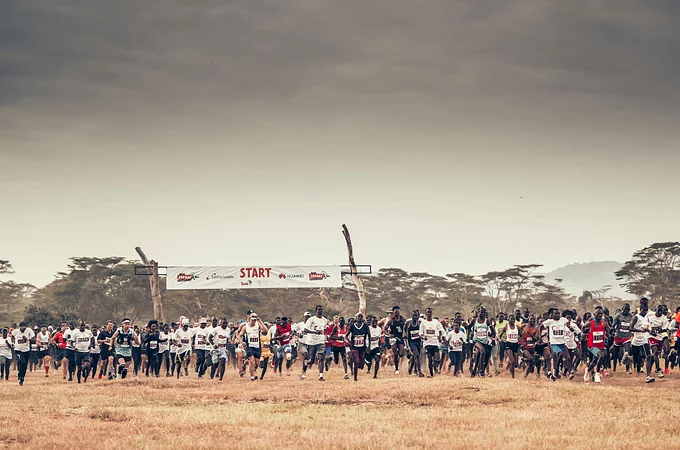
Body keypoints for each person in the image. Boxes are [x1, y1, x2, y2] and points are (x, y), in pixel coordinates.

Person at [542, 308, 575, 381]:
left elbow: (568, 324)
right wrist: (540, 337)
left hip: (562, 343)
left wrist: (570, 328)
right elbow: (541, 326)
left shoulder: (563, 320)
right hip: (554, 344)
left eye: (558, 313)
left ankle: (570, 372)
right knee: (560, 354)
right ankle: (556, 370)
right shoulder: (549, 322)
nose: (558, 315)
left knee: (568, 358)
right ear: (552, 315)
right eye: (556, 314)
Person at [582, 307, 610, 383]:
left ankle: (587, 370)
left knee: (596, 360)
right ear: (594, 314)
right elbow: (583, 327)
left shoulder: (604, 323)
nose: (600, 315)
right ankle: (597, 374)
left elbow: (609, 330)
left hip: (601, 344)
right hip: (592, 345)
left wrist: (608, 334)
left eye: (601, 313)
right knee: (601, 355)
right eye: (598, 313)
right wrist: (584, 333)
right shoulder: (591, 323)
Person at [237, 313, 268, 381]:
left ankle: (246, 364)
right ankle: (252, 376)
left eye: (255, 319)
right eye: (253, 319)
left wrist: (261, 322)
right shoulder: (246, 327)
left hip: (257, 346)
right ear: (250, 318)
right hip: (249, 346)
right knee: (252, 361)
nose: (254, 321)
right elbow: (239, 335)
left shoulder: (258, 325)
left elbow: (266, 330)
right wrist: (242, 342)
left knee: (256, 364)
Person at [302, 305, 328, 381]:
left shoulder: (324, 320)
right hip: (312, 341)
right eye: (319, 309)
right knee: (312, 361)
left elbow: (325, 329)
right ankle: (306, 364)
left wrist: (326, 336)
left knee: (321, 357)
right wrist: (314, 332)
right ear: (316, 310)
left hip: (320, 341)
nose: (320, 311)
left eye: (321, 310)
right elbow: (305, 330)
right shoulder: (311, 319)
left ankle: (321, 376)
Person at [630, 303, 654, 383]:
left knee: (648, 356)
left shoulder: (646, 317)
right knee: (635, 359)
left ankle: (648, 375)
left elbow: (646, 327)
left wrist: (650, 331)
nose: (645, 312)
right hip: (636, 340)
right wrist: (640, 330)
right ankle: (627, 358)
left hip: (644, 339)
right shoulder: (636, 317)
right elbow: (630, 328)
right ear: (640, 309)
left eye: (646, 311)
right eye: (644, 310)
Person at [419, 307, 445, 378]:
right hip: (427, 343)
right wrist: (423, 337)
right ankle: (431, 374)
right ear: (425, 313)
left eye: (430, 312)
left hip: (435, 342)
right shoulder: (423, 323)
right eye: (428, 312)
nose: (429, 313)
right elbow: (420, 333)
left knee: (437, 358)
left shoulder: (436, 322)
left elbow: (440, 330)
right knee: (430, 359)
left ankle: (435, 367)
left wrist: (440, 337)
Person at [346, 312, 370, 381]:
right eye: (358, 317)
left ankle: (362, 364)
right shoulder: (352, 326)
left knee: (361, 364)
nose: (360, 318)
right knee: (356, 361)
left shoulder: (365, 326)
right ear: (356, 318)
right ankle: (355, 377)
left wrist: (369, 346)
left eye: (361, 317)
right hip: (354, 346)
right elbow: (346, 335)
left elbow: (369, 335)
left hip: (362, 347)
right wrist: (348, 341)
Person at [647, 304, 669, 379]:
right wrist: (650, 330)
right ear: (655, 309)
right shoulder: (650, 315)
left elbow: (665, 328)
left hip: (659, 337)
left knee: (654, 355)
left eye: (661, 311)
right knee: (655, 352)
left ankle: (650, 369)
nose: (659, 312)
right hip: (651, 337)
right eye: (658, 310)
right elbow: (646, 324)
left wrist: (660, 330)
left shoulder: (664, 318)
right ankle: (658, 369)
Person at [612, 303, 634, 374]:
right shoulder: (618, 315)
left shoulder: (631, 316)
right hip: (618, 336)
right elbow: (613, 325)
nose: (626, 311)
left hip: (627, 337)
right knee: (615, 354)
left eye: (628, 310)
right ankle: (614, 369)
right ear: (622, 309)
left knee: (627, 353)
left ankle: (627, 369)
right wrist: (615, 328)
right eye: (625, 309)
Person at [384, 306, 406, 375]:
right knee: (395, 353)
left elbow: (406, 327)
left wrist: (405, 333)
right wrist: (388, 334)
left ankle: (397, 362)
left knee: (401, 354)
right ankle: (396, 368)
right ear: (393, 312)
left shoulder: (403, 319)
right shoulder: (391, 320)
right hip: (393, 337)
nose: (397, 313)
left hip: (400, 337)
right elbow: (384, 329)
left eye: (398, 311)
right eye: (395, 311)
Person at [12, 321, 35, 385]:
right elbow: (12, 336)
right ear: (19, 327)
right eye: (22, 328)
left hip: (26, 350)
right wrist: (13, 342)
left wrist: (27, 339)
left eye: (24, 328)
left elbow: (34, 339)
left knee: (25, 364)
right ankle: (20, 374)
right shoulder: (15, 331)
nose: (23, 329)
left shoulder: (29, 330)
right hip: (18, 349)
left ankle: (22, 377)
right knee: (22, 361)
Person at [405, 311, 423, 377]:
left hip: (418, 342)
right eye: (413, 315)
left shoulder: (420, 323)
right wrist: (404, 335)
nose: (415, 317)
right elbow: (404, 330)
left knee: (415, 356)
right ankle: (419, 371)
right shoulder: (408, 323)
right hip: (412, 342)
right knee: (417, 355)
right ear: (411, 316)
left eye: (416, 316)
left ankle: (410, 369)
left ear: (418, 316)